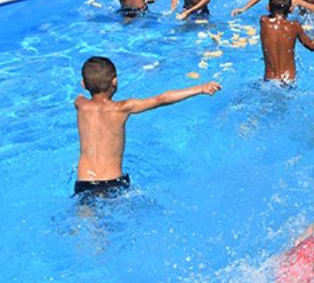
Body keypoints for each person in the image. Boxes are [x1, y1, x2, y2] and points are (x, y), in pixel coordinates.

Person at [74, 56, 220, 200]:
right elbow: (161, 99)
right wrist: (199, 88)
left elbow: (82, 97)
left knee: (86, 218)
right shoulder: (122, 109)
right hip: (113, 181)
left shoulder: (80, 104)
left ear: (83, 84)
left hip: (85, 182)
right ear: (115, 82)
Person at [259, 0, 314, 83]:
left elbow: (272, 12)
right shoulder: (294, 26)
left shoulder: (264, 21)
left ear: (269, 7)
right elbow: (312, 46)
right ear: (291, 9)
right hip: (288, 79)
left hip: (270, 79)